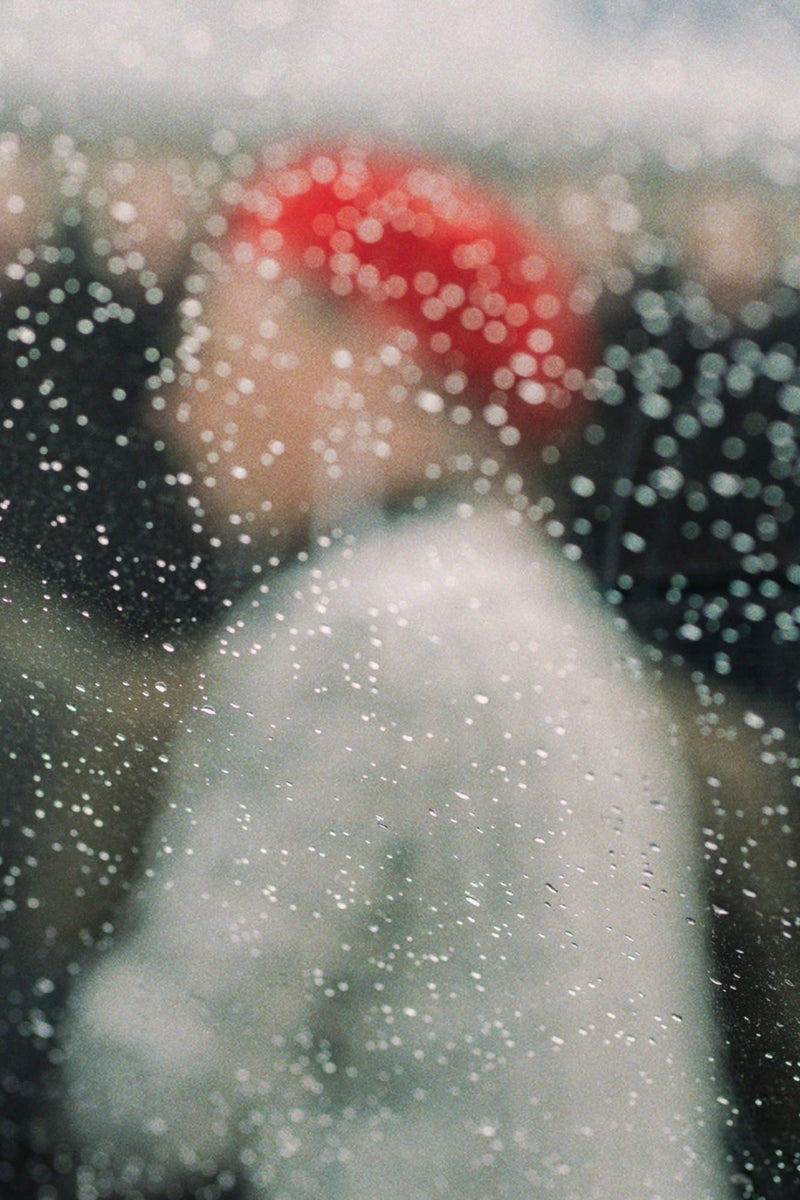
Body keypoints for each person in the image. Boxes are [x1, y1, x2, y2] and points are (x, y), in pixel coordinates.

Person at [60, 143, 736, 1199]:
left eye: (212, 349)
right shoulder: (534, 611)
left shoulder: (366, 631)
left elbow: (163, 1095)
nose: (176, 406)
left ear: (366, 356)